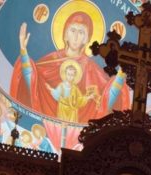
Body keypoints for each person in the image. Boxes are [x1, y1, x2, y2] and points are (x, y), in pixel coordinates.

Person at [9, 11, 129, 149]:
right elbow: (33, 82)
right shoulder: (51, 60)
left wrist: (121, 74)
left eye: (81, 32)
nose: (76, 36)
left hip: (81, 134)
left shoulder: (92, 68)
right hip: (52, 124)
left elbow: (106, 101)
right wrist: (23, 51)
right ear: (65, 34)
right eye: (73, 30)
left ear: (87, 39)